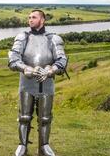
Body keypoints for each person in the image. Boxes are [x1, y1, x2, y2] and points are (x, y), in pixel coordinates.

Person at [8, 9, 67, 156]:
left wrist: (50, 70)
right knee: (24, 117)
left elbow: (62, 60)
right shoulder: (23, 37)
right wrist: (25, 68)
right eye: (29, 17)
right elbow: (13, 58)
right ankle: (22, 145)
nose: (30, 20)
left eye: (33, 17)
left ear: (42, 20)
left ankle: (44, 146)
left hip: (46, 84)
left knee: (45, 118)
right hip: (26, 83)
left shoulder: (53, 38)